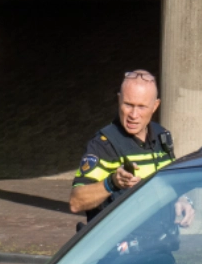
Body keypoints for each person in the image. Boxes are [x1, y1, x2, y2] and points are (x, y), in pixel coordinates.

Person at [69, 70, 193, 226]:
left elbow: (168, 184)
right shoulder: (104, 144)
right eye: (128, 105)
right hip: (118, 247)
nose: (134, 115)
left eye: (142, 107)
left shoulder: (162, 136)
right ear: (119, 100)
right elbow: (76, 202)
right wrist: (112, 183)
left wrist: (181, 199)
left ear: (155, 106)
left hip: (160, 244)